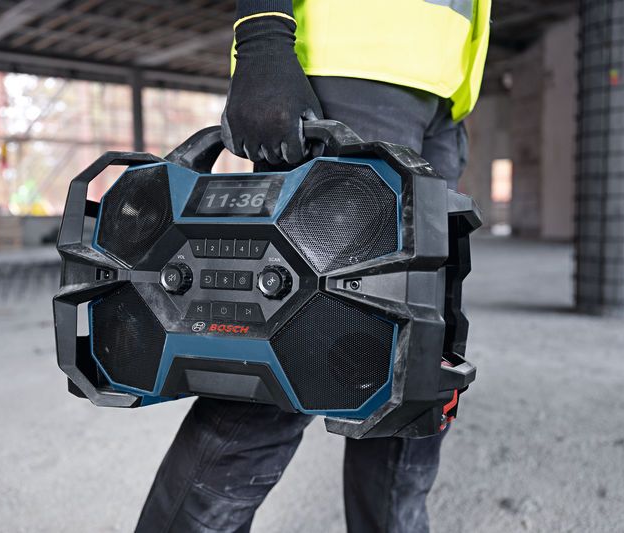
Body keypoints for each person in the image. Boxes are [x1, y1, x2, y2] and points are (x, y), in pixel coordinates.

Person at [136, 1, 490, 531]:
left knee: (412, 360)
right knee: (291, 349)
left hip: (440, 94)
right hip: (350, 67)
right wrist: (262, 35)